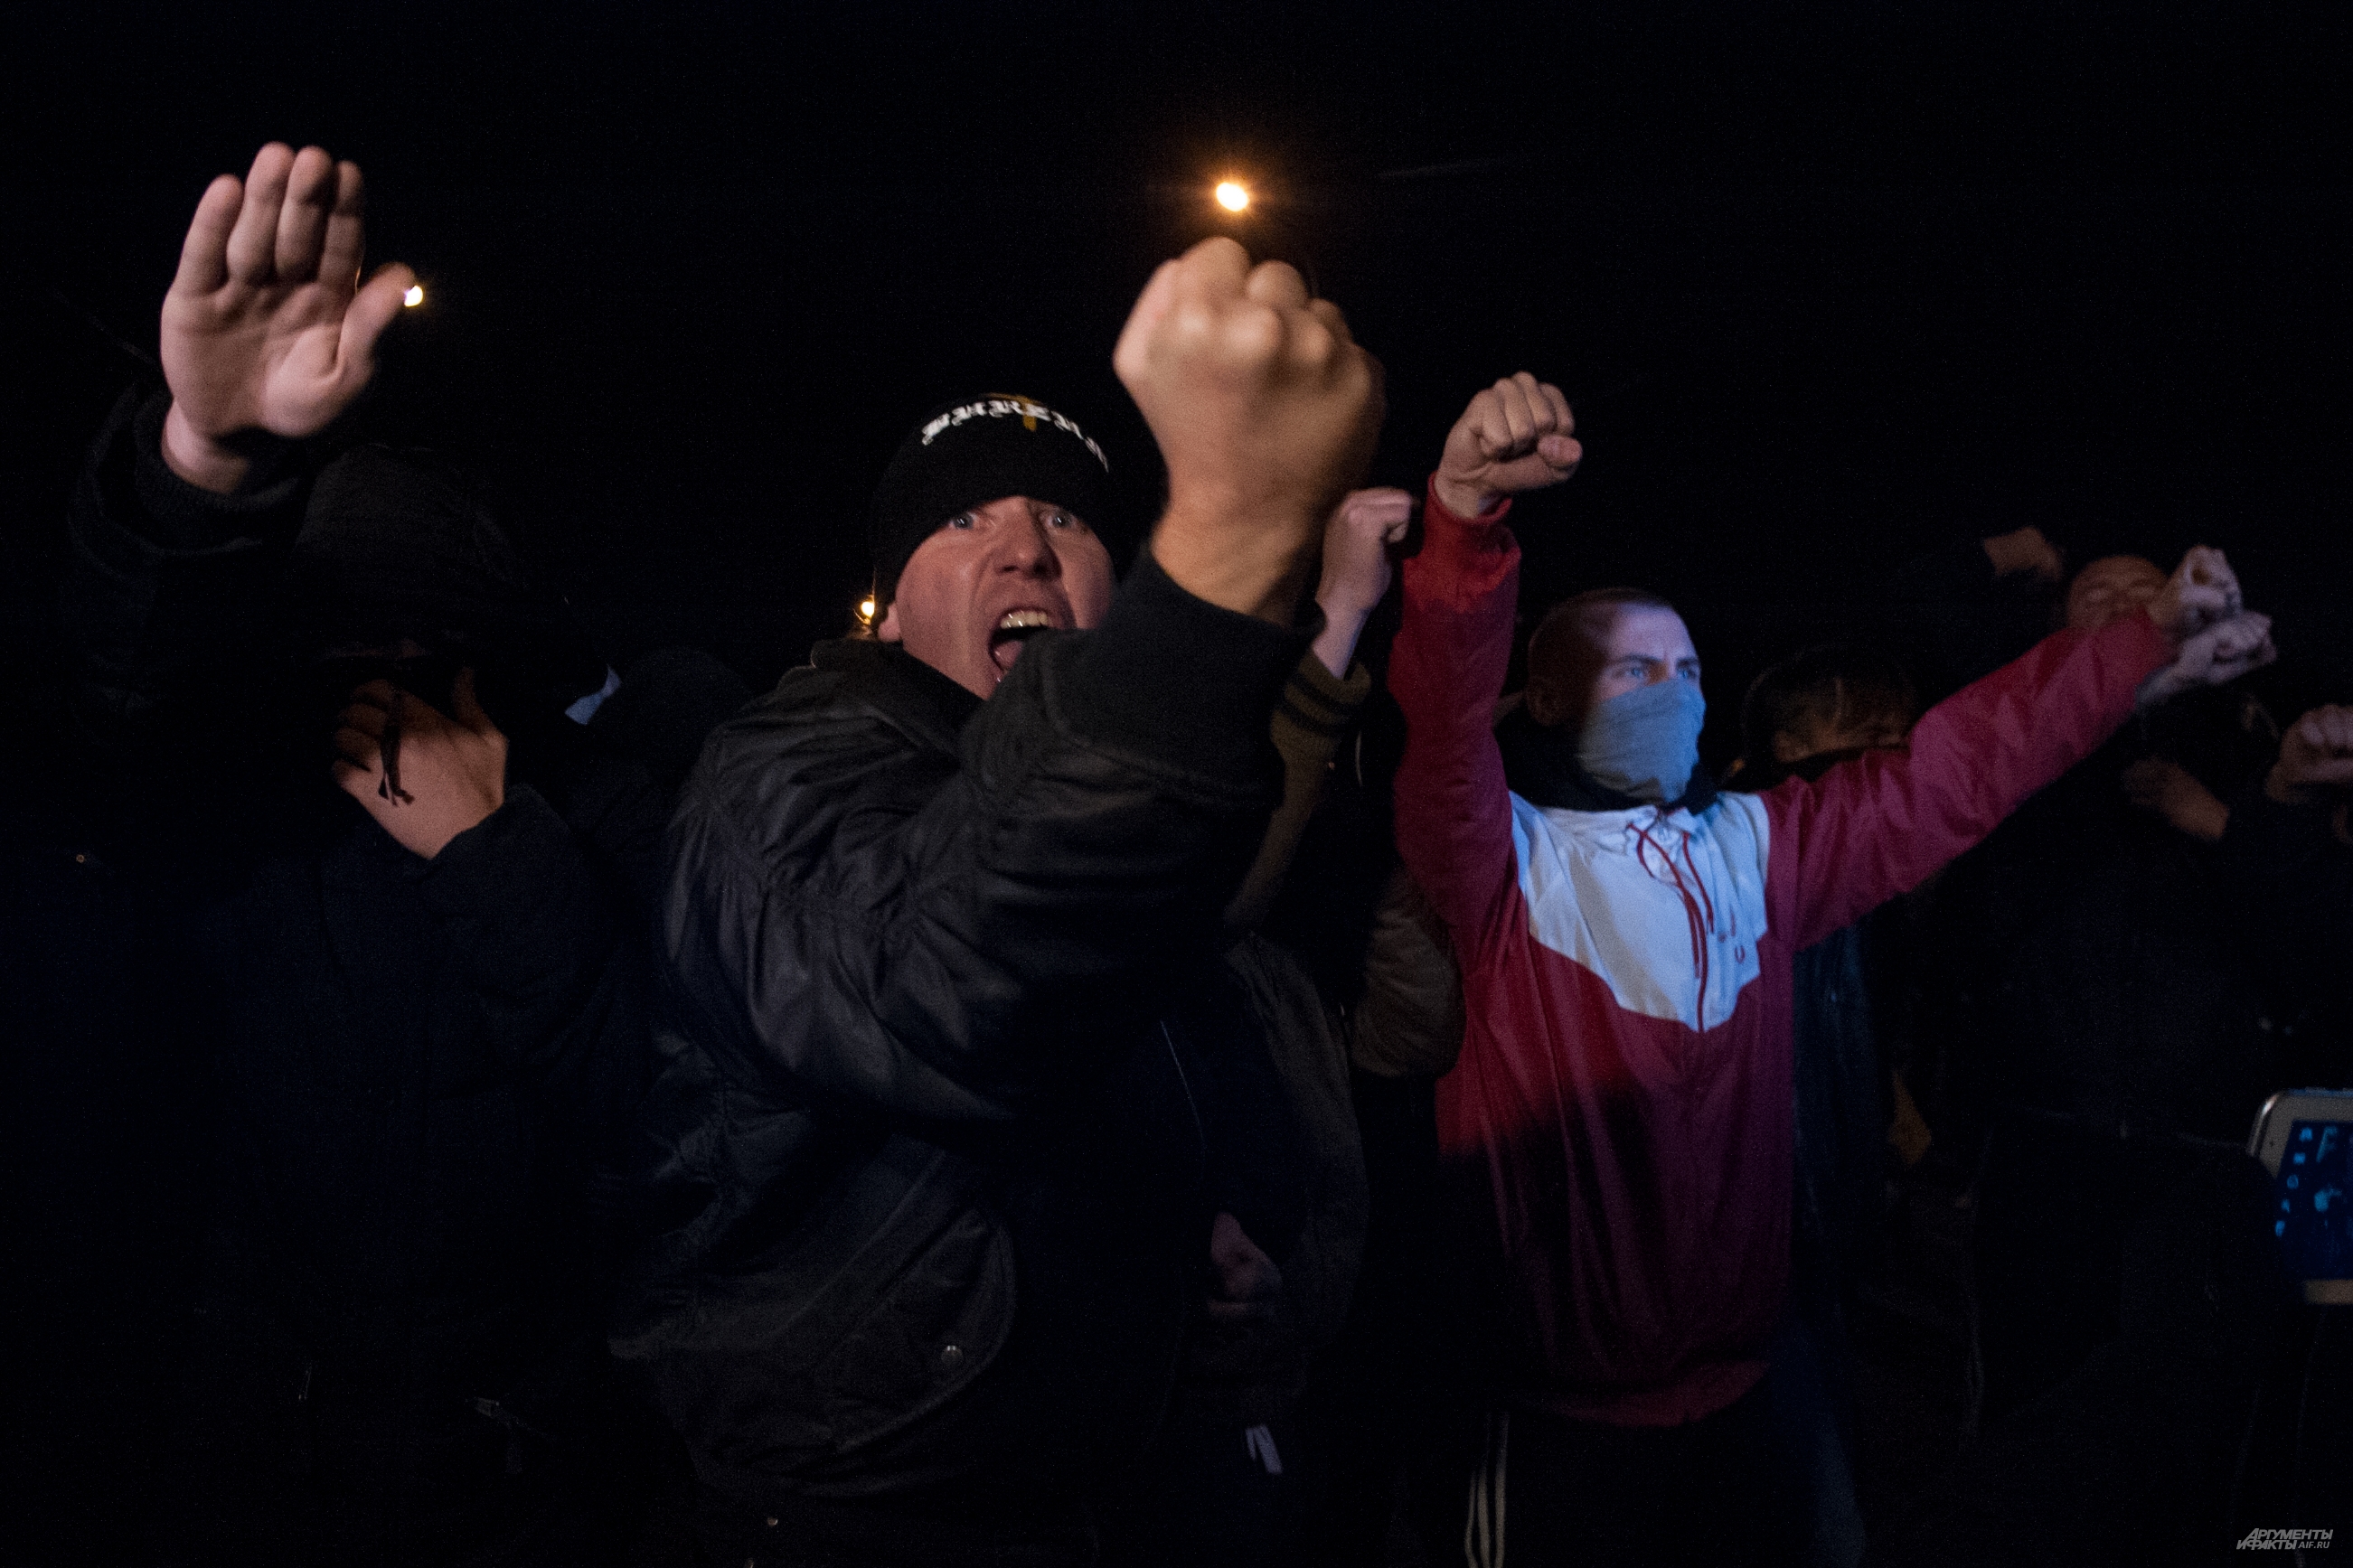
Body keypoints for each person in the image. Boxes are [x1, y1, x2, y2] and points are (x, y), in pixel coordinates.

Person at [1384, 371, 2275, 1566]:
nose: (1677, 690)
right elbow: (1439, 718)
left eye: (1691, 670)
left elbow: (1960, 769)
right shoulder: (1502, 861)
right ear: (1546, 696)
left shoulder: (1763, 845)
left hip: (1762, 1391)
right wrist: (1465, 520)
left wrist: (2138, 646)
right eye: (1634, 669)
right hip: (1563, 1421)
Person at [611, 237, 1384, 1567]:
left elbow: (1273, 1115)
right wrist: (1222, 556)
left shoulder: (1167, 814)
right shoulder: (783, 774)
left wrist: (1269, 1298)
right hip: (871, 1521)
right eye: (963, 520)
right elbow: (957, 974)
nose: (1026, 547)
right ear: (889, 612)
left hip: (1128, 1492)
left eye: (1069, 518)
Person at [56, 143, 739, 1565]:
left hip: (544, 1482)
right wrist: (203, 465)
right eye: (344, 654)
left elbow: (678, 1121)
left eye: (430, 653)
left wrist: (496, 853)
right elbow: (122, 712)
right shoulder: (249, 803)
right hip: (265, 1463)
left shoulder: (609, 813)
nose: (386, 689)